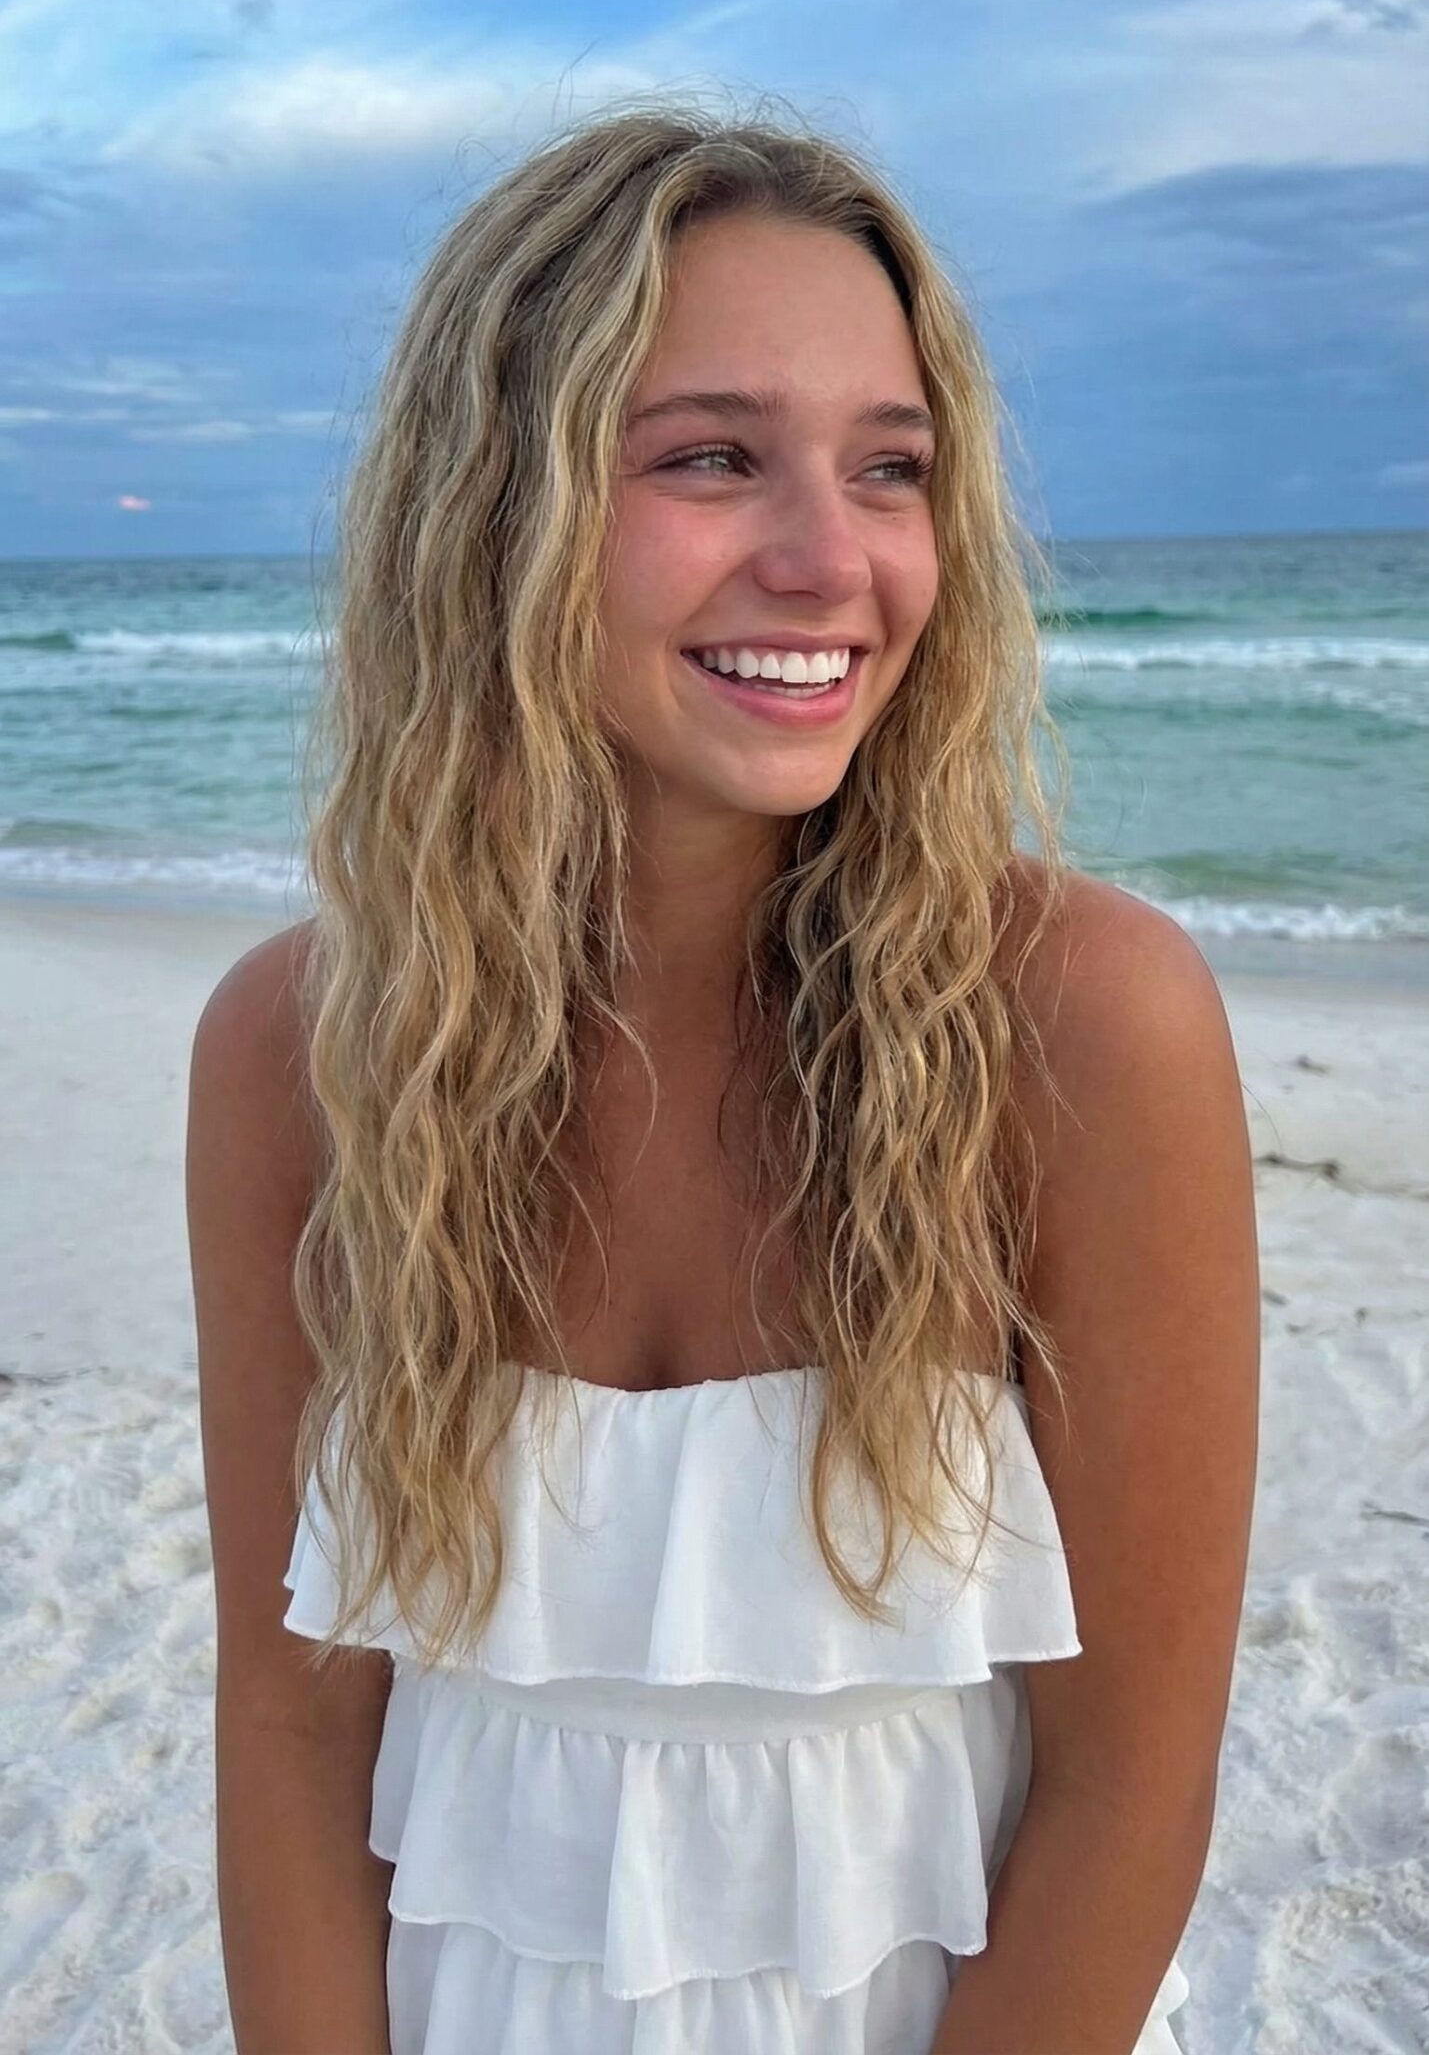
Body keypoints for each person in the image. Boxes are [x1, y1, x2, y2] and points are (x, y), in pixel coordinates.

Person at [186, 99, 1260, 2055]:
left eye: (891, 468)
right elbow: (290, 1726)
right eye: (711, 458)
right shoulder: (303, 1047)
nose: (831, 558)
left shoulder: (1081, 1022)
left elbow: (1127, 1789)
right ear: (493, 502)